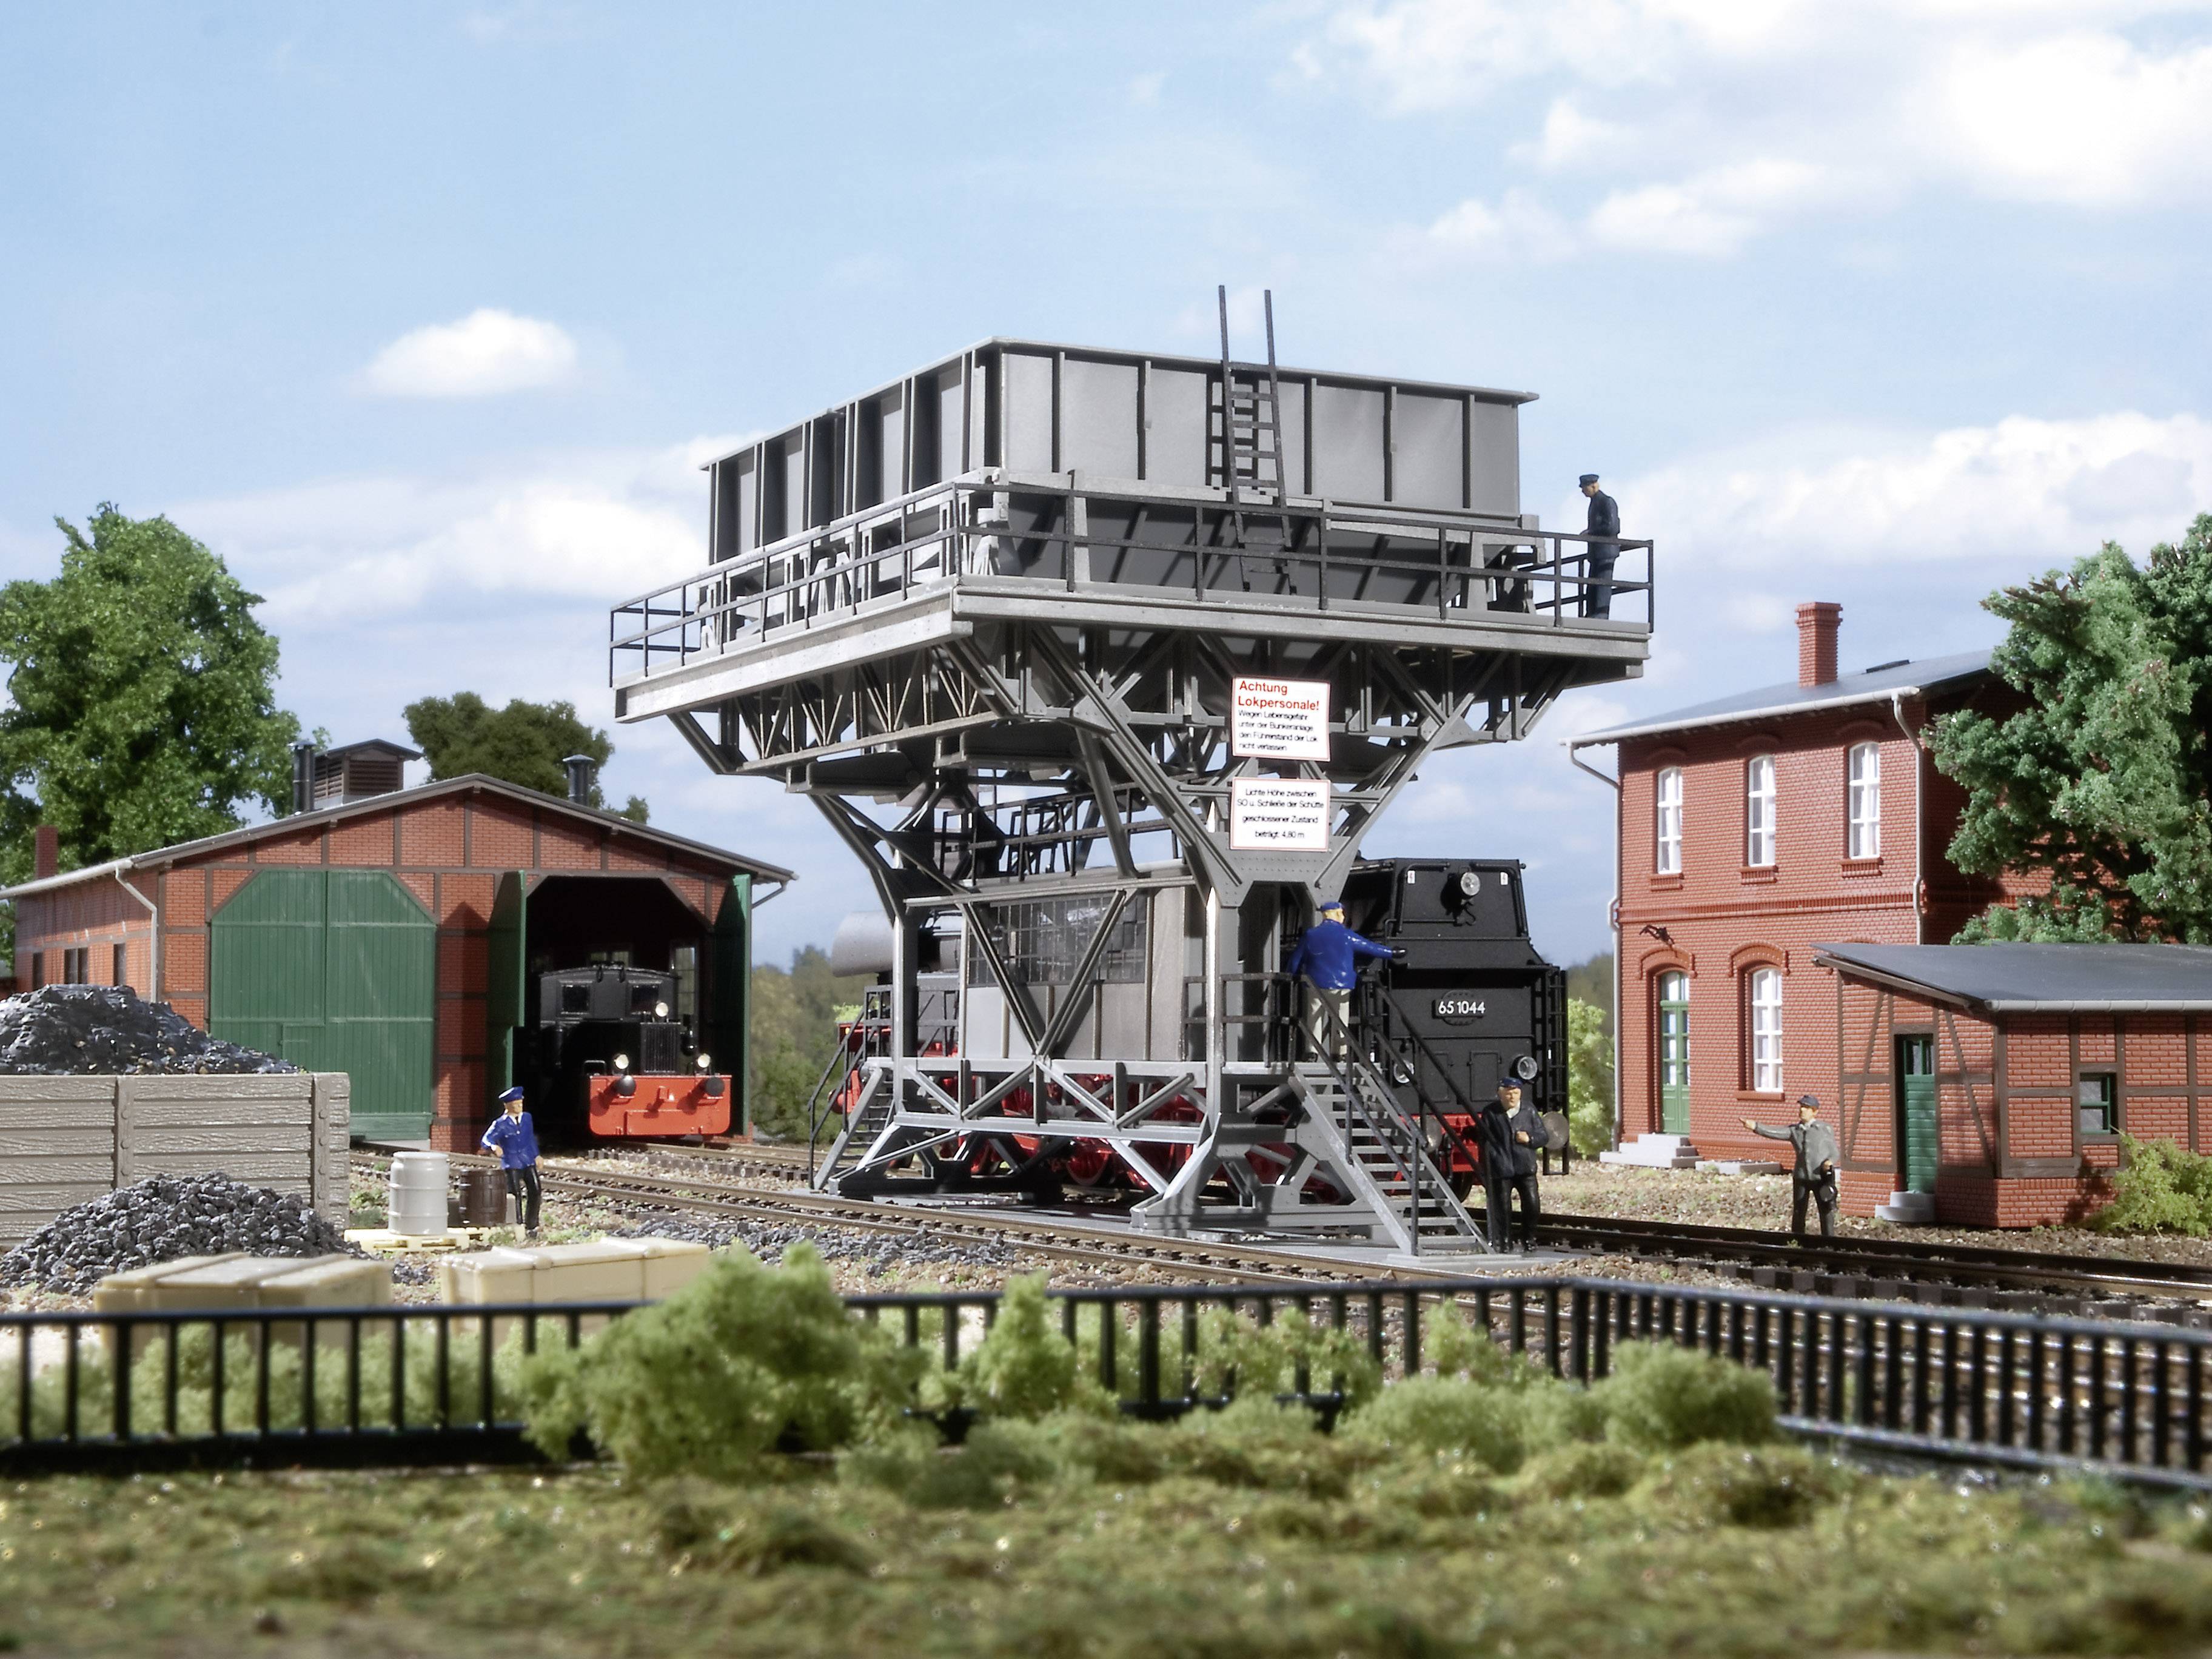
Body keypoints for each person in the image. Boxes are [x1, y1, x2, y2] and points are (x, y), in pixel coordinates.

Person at [1285, 901, 1398, 1059]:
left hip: (1315, 984)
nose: (1344, 916)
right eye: (1342, 913)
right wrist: (1392, 952)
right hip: (1342, 985)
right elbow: (1370, 947)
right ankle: (1339, 1053)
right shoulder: (1346, 935)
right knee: (1340, 1019)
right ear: (1337, 914)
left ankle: (1312, 1052)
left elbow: (1296, 959)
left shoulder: (1311, 935)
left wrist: (1292, 975)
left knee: (1314, 1019)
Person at [1741, 1094, 1840, 1239]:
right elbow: (1775, 1132)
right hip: (1801, 1177)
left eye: (1806, 1108)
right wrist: (1756, 1127)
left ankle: (1829, 1240)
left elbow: (1835, 1152)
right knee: (1799, 1210)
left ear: (1815, 1111)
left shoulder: (1824, 1129)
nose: (1802, 1110)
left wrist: (1830, 1162)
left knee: (1826, 1210)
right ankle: (1797, 1239)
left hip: (1820, 1177)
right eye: (1801, 1107)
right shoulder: (1794, 1131)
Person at [481, 1085, 542, 1235]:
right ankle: (518, 1223)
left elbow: (530, 1139)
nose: (519, 1107)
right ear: (507, 1106)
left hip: (528, 1160)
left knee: (535, 1190)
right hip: (512, 1162)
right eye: (515, 1105)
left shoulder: (527, 1118)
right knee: (515, 1193)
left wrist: (537, 1155)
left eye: (520, 1104)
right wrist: (494, 1147)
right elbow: (486, 1139)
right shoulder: (500, 1124)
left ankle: (532, 1225)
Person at [1501, 1076, 1545, 1249]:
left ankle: (1528, 1238)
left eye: (1515, 1093)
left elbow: (1543, 1136)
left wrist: (1530, 1138)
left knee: (1532, 1204)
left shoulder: (1529, 1111)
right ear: (1501, 1094)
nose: (1512, 1097)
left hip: (1525, 1166)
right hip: (1503, 1167)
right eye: (1508, 1093)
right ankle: (1504, 1240)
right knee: (1502, 1207)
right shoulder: (1493, 1112)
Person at [1579, 473, 1619, 618]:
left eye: (1585, 487)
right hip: (1597, 552)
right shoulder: (1595, 503)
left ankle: (1601, 614)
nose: (1583, 491)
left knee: (1603, 583)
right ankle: (1592, 613)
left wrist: (1591, 532)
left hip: (1606, 551)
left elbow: (1612, 527)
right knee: (1593, 584)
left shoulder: (1607, 502)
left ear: (1593, 486)